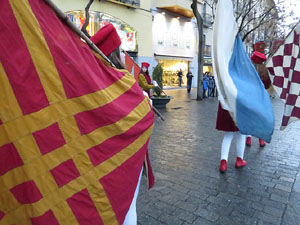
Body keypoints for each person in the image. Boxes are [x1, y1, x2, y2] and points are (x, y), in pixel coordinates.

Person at [91, 23, 146, 225]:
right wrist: (145, 101)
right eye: (122, 50)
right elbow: (141, 116)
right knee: (128, 203)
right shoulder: (123, 81)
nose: (125, 54)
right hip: (127, 155)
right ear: (114, 53)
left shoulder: (94, 81)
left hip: (102, 160)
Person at [246, 51, 270, 147]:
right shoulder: (265, 72)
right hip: (261, 98)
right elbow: (267, 85)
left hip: (249, 97)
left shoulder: (248, 70)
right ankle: (261, 140)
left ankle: (248, 138)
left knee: (249, 119)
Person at [216, 103, 247, 173]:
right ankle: (239, 159)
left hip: (227, 105)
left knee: (227, 135)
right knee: (241, 134)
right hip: (240, 106)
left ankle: (223, 162)